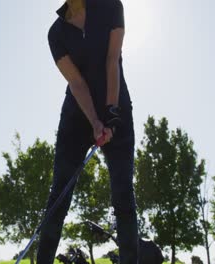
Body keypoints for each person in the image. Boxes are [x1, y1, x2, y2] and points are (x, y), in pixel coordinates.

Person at [37, 0, 138, 263]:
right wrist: (94, 121)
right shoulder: (56, 33)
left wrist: (111, 113)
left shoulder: (111, 7)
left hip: (116, 106)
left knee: (123, 193)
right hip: (77, 118)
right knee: (59, 194)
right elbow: (77, 82)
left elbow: (112, 59)